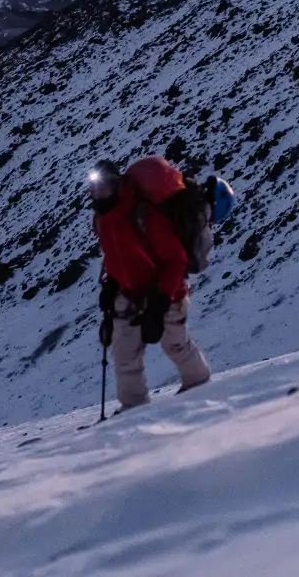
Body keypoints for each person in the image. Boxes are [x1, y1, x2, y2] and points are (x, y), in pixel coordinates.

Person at [88, 157, 210, 411]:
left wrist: (160, 301)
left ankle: (200, 385)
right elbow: (116, 255)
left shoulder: (143, 214)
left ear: (116, 183)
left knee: (174, 343)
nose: (99, 192)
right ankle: (134, 408)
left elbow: (176, 260)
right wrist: (112, 285)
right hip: (129, 292)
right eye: (94, 187)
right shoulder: (102, 219)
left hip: (166, 291)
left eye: (104, 185)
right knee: (124, 354)